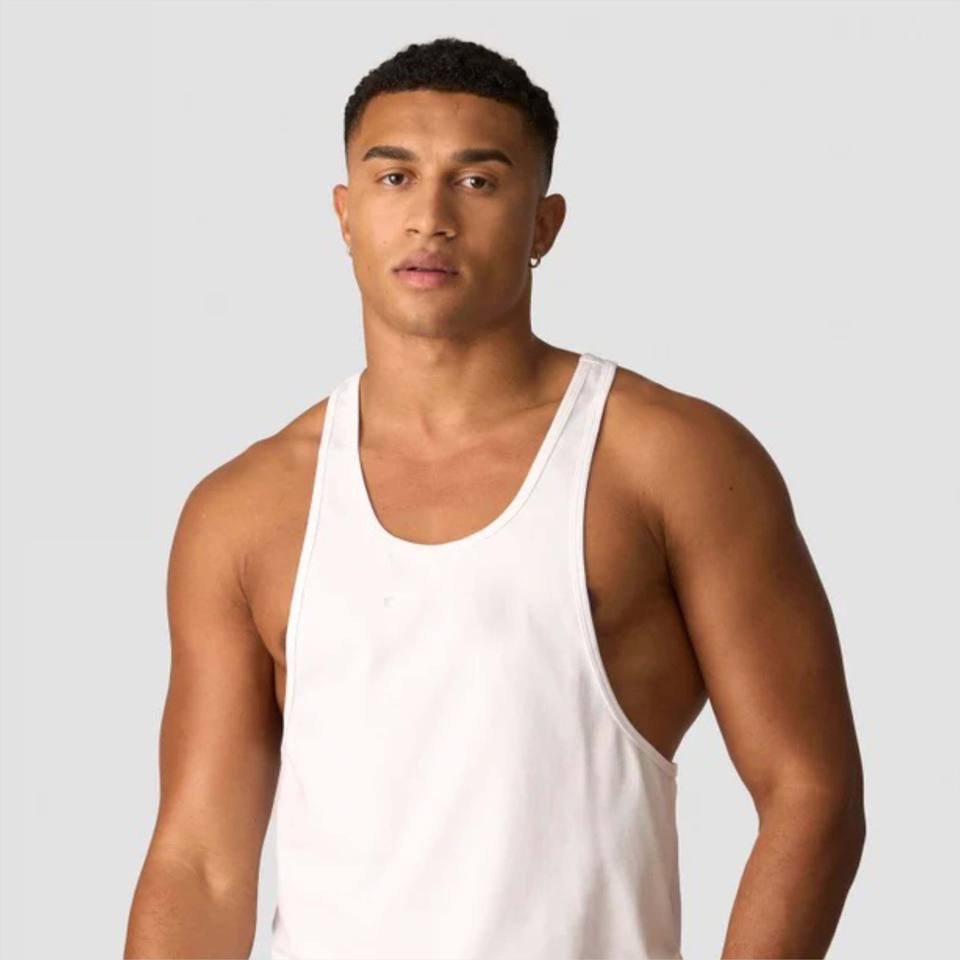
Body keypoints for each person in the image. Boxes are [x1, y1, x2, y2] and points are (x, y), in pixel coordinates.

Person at [124, 37, 865, 960]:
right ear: (346, 214)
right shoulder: (244, 509)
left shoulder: (671, 461)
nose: (430, 217)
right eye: (394, 179)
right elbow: (200, 860)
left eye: (477, 182)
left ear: (545, 224)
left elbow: (810, 792)